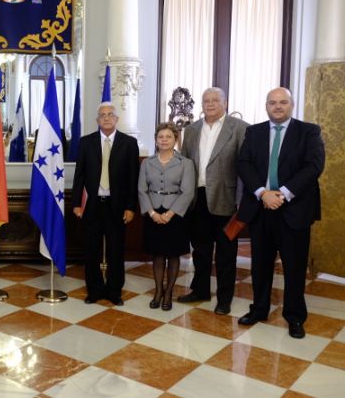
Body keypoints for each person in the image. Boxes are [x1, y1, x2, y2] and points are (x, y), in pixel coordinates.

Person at [237, 87, 324, 339]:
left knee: (294, 268)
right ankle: (259, 309)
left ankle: (295, 316)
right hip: (261, 208)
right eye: (272, 102)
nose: (277, 106)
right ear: (266, 106)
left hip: (294, 210)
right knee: (260, 265)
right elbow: (244, 163)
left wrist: (283, 193)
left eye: (282, 102)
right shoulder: (253, 132)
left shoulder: (309, 131)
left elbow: (314, 166)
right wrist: (262, 192)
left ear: (291, 105)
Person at [177, 88, 249, 315]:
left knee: (226, 252)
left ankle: (225, 298)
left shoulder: (240, 128)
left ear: (225, 103)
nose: (210, 104)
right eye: (206, 100)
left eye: (215, 100)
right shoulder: (190, 130)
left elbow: (244, 168)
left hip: (226, 199)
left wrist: (240, 202)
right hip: (197, 200)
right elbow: (186, 165)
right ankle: (200, 290)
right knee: (200, 250)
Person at [72, 103, 139, 306]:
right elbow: (79, 176)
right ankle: (94, 290)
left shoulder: (129, 143)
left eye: (110, 115)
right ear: (97, 120)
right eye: (102, 115)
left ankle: (114, 290)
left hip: (117, 206)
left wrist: (130, 207)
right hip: (92, 206)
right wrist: (76, 203)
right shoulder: (86, 142)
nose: (107, 118)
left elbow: (132, 178)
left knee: (116, 251)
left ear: (117, 119)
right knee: (91, 250)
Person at [138, 122, 195, 311]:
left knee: (173, 255)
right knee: (158, 255)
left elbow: (187, 192)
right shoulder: (147, 163)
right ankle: (158, 291)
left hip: (176, 215)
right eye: (161, 137)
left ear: (175, 139)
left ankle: (169, 292)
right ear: (156, 140)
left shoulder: (185, 163)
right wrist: (153, 213)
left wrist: (170, 214)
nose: (164, 140)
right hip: (153, 213)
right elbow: (141, 190)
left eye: (168, 137)